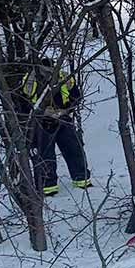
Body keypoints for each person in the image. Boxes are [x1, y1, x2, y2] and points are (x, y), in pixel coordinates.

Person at [21, 58, 91, 196]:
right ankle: (48, 187)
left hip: (63, 118)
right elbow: (24, 103)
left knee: (73, 149)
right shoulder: (30, 80)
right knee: (45, 155)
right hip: (41, 121)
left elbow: (76, 96)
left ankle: (81, 179)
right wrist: (42, 112)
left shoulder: (63, 77)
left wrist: (64, 110)